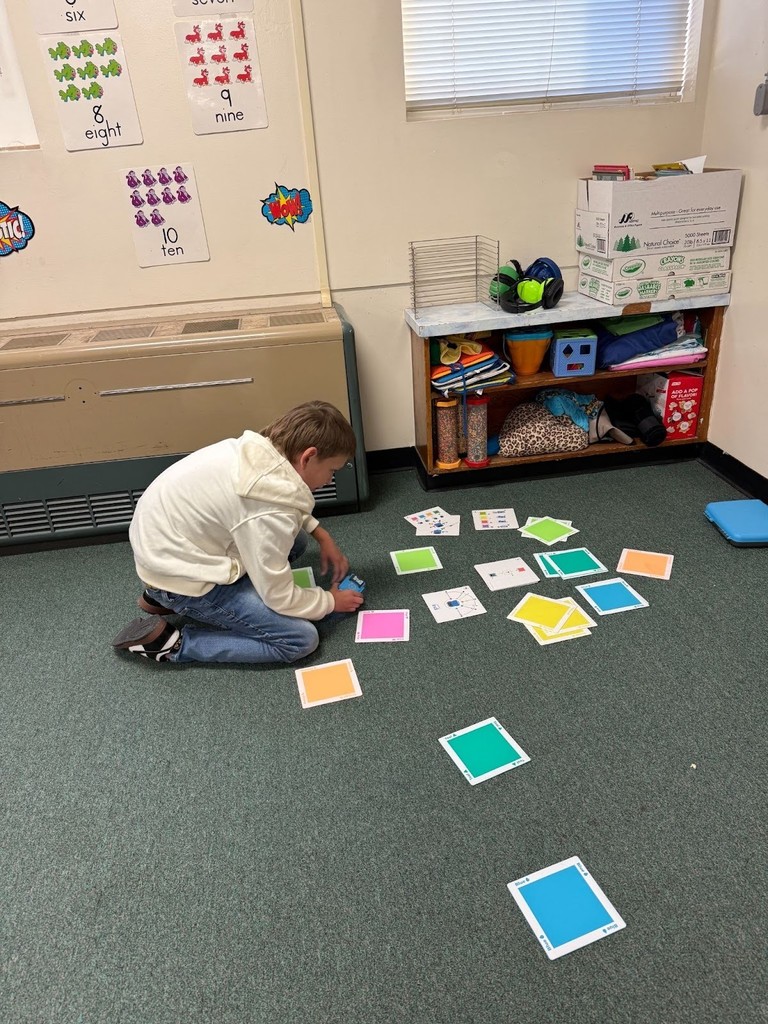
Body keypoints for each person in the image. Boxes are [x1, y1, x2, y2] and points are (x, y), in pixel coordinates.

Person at [111, 400, 364, 665]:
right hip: (178, 578)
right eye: (332, 471)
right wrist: (329, 602)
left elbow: (271, 505)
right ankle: (173, 645)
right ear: (308, 456)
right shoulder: (269, 511)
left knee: (295, 541)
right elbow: (279, 596)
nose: (330, 480)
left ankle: (159, 598)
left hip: (164, 551)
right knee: (301, 639)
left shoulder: (258, 453)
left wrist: (319, 533)